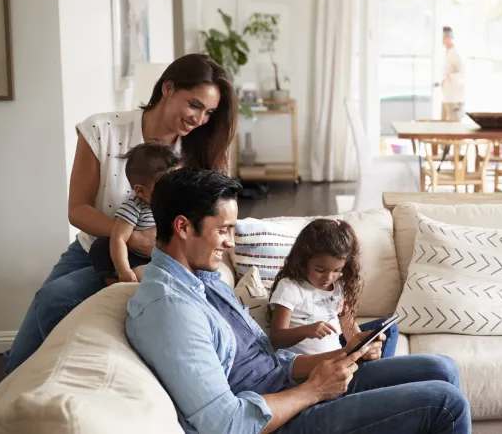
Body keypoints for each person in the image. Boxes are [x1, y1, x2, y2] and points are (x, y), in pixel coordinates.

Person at [126, 168, 470, 434]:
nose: (230, 242)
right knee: (445, 403)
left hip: (291, 387)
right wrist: (316, 390)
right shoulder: (170, 310)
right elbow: (226, 424)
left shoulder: (205, 279)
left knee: (441, 368)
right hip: (281, 419)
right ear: (184, 227)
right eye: (223, 229)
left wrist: (343, 354)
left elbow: (269, 360)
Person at [4, 53, 237, 374]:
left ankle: (60, 376)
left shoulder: (198, 151)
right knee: (21, 355)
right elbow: (78, 210)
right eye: (194, 105)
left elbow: (211, 221)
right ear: (167, 88)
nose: (199, 120)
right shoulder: (102, 130)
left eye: (209, 112)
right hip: (93, 247)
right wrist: (133, 237)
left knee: (55, 298)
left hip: (155, 260)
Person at [267, 219, 399, 358]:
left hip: (340, 357)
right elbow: (276, 338)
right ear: (304, 260)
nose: (328, 278)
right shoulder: (290, 287)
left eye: (337, 270)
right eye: (320, 270)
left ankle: (376, 365)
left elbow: (348, 326)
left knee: (389, 329)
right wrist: (307, 330)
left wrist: (364, 350)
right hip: (314, 364)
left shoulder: (339, 286)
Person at [89, 143, 180, 285]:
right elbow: (119, 238)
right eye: (165, 188)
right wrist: (123, 269)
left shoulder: (176, 203)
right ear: (140, 191)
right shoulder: (134, 207)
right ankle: (115, 282)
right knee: (101, 246)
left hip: (163, 258)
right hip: (135, 258)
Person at [440, 26, 465, 121]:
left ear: (447, 37)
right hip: (447, 97)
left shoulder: (455, 54)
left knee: (452, 125)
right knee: (444, 124)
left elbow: (462, 74)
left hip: (454, 99)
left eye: (443, 38)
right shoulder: (448, 53)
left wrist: (450, 78)